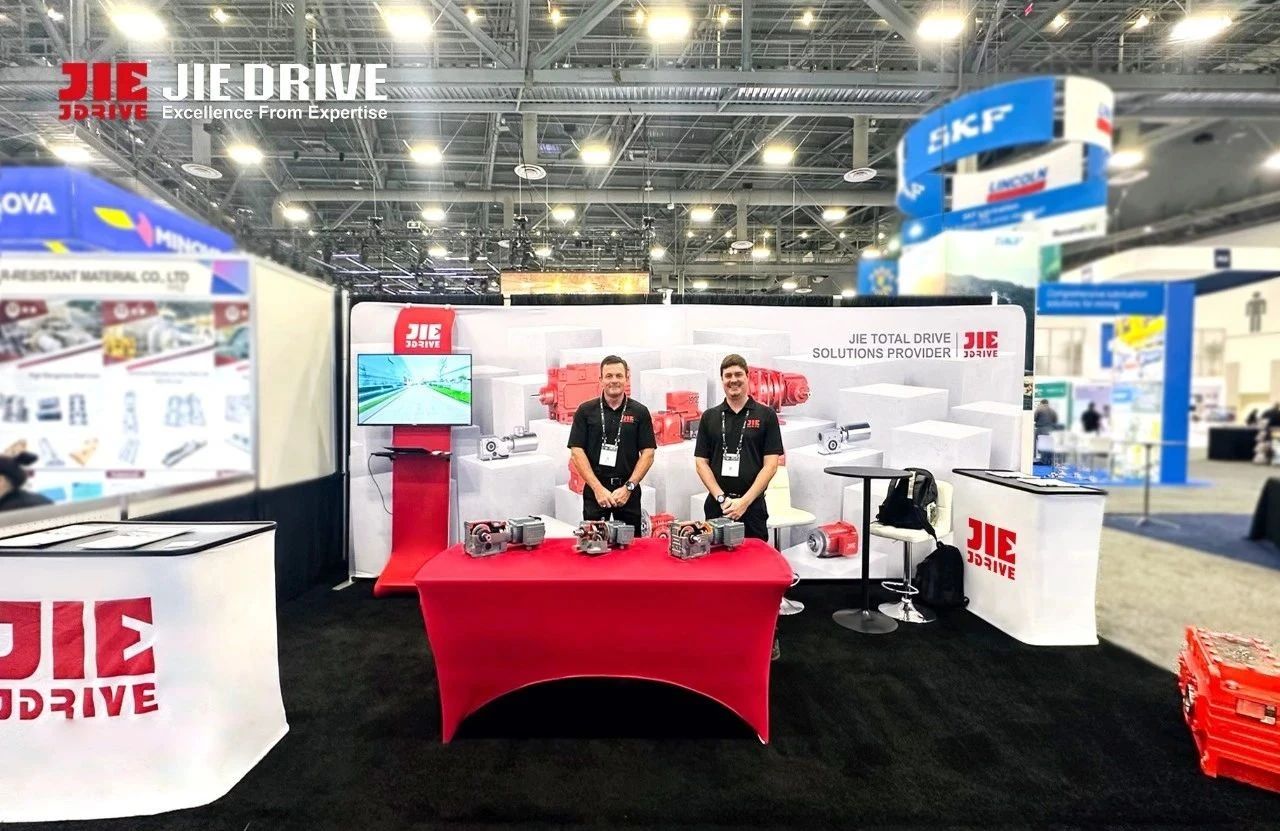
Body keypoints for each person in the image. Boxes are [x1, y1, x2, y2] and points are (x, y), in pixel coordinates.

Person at [694, 354, 784, 542]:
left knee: (754, 558)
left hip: (753, 508)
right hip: (717, 507)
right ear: (722, 380)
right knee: (717, 558)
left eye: (738, 374)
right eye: (728, 376)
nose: (733, 380)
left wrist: (744, 502)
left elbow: (771, 465)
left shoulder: (766, 415)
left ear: (747, 376)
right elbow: (701, 463)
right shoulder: (709, 417)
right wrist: (721, 499)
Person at [566, 355, 656, 535]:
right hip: (595, 491)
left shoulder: (640, 412)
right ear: (600, 379)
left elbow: (648, 453)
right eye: (608, 376)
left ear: (626, 378)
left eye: (618, 375)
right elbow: (576, 452)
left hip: (628, 491)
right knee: (594, 544)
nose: (614, 380)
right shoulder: (585, 411)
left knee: (630, 544)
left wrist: (628, 488)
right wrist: (598, 489)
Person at [1033, 399, 1058, 464]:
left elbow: (1034, 418)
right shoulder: (1053, 410)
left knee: (1042, 444)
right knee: (1049, 445)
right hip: (1051, 430)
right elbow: (1055, 420)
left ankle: (1043, 460)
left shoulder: (1039, 409)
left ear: (1041, 403)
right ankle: (1049, 461)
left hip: (1041, 429)